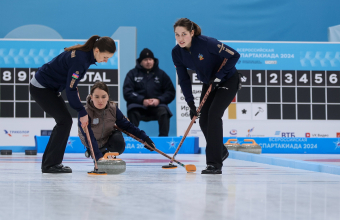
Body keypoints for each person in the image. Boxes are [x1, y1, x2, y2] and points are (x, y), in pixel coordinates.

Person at [30, 35, 116, 173]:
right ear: (97, 50)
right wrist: (81, 111)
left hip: (50, 87)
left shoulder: (86, 56)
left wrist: (80, 110)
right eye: (105, 57)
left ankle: (50, 163)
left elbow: (72, 87)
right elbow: (70, 89)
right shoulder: (81, 60)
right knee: (64, 121)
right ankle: (50, 165)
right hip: (41, 88)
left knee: (64, 121)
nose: (105, 61)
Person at [172, 18, 241, 174]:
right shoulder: (176, 53)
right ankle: (220, 151)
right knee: (203, 119)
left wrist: (220, 75)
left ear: (192, 33)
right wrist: (190, 103)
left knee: (214, 115)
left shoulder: (208, 43)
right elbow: (183, 79)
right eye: (177, 35)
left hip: (227, 79)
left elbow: (234, 55)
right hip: (209, 83)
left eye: (184, 34)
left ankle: (214, 164)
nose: (180, 38)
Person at [78, 81, 156, 160]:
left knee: (118, 140)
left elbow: (128, 126)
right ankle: (95, 152)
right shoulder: (84, 113)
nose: (100, 101)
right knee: (95, 148)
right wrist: (98, 156)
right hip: (90, 141)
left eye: (103, 97)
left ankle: (106, 152)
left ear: (108, 97)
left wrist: (145, 138)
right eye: (97, 97)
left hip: (106, 140)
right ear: (91, 97)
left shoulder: (113, 109)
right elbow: (88, 137)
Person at [123, 48, 175, 136]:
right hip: (138, 105)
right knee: (132, 110)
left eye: (150, 59)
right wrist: (142, 100)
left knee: (164, 111)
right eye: (145, 60)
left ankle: (163, 139)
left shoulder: (161, 74)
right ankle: (133, 138)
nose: (148, 62)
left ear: (154, 61)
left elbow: (170, 92)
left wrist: (159, 100)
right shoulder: (132, 74)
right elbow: (127, 92)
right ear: (140, 62)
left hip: (157, 105)